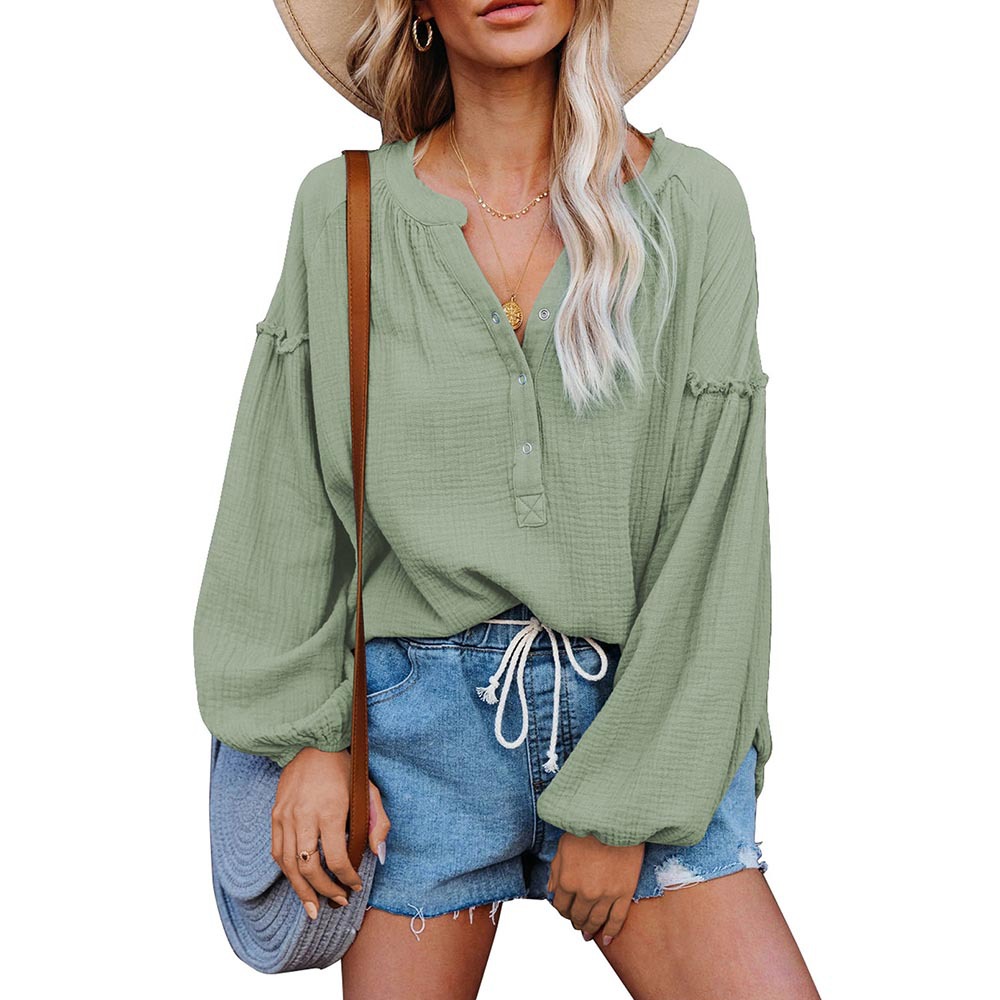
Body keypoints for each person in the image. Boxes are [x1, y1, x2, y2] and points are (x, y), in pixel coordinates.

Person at [194, 1, 820, 996]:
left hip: (641, 709)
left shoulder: (696, 207)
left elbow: (717, 528)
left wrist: (625, 803)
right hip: (413, 739)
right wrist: (307, 739)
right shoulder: (341, 211)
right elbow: (284, 504)